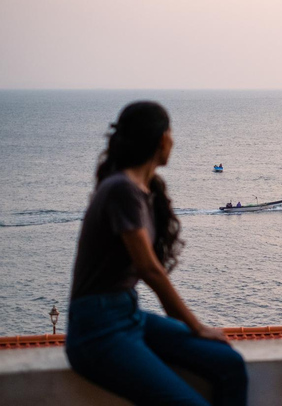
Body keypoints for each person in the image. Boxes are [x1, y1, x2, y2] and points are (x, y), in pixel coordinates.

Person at [65, 101, 248, 406]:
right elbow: (149, 270)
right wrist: (197, 326)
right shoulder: (121, 189)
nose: (174, 141)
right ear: (162, 138)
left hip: (127, 314)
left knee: (229, 365)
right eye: (172, 133)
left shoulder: (141, 189)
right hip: (97, 331)